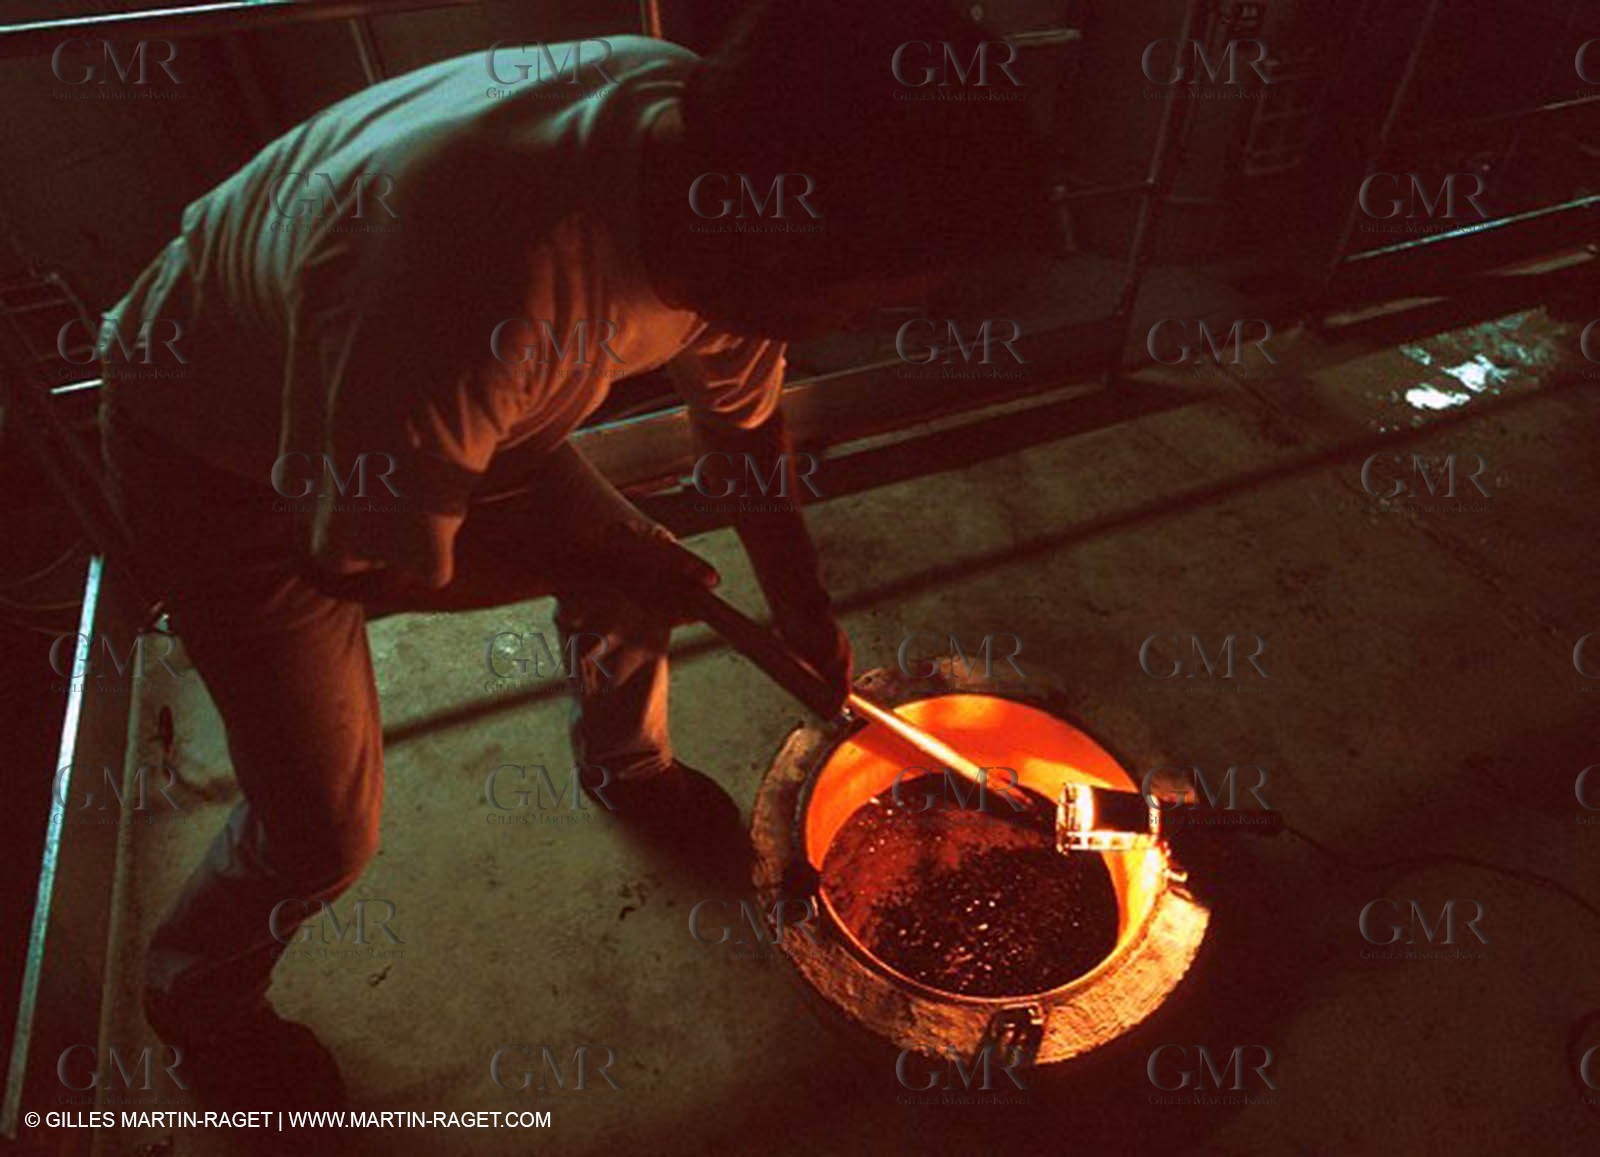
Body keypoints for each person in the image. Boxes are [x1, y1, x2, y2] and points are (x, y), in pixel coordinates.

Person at [98, 0, 1056, 1113]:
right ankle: (197, 1005)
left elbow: (741, 427)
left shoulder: (713, 158)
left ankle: (628, 767)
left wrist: (803, 605)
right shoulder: (474, 282)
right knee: (320, 828)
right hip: (222, 440)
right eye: (864, 299)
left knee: (638, 556)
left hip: (427, 392)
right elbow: (364, 569)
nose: (852, 324)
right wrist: (591, 559)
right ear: (779, 238)